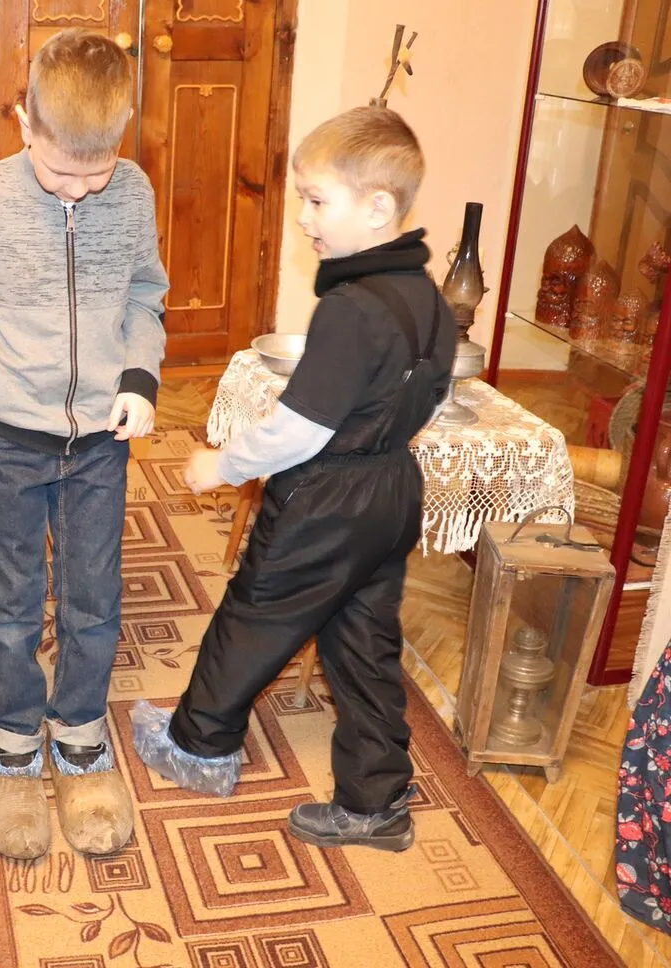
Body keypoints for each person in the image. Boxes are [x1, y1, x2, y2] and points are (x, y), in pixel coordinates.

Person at [132, 106, 457, 853]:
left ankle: (199, 746)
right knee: (363, 642)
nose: (303, 218)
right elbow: (432, 396)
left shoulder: (352, 308)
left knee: (257, 614)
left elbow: (298, 431)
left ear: (377, 207)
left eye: (316, 200)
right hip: (392, 489)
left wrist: (221, 464)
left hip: (327, 497)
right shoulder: (429, 298)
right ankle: (377, 800)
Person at [0, 29, 167, 860]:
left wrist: (140, 375)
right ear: (24, 124)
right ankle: (12, 741)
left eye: (97, 172)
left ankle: (81, 733)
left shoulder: (133, 193)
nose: (80, 188)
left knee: (93, 596)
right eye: (61, 172)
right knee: (10, 600)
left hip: (100, 443)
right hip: (9, 441)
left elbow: (146, 295)